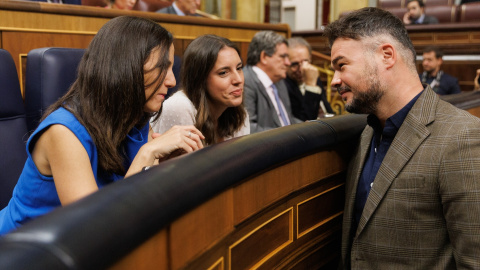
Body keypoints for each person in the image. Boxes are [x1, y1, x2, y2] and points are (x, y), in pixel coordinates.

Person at [0, 16, 204, 235]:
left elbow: (142, 199)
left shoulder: (135, 117)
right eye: (163, 67)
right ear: (126, 67)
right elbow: (93, 230)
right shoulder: (63, 132)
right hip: (20, 250)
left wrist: (168, 165)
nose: (172, 81)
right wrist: (147, 154)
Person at [324, 7, 480, 269]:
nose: (334, 80)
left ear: (386, 55)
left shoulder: (462, 137)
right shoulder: (369, 132)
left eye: (342, 65)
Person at [151, 35, 249, 145]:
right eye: (223, 73)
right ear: (200, 79)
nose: (238, 80)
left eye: (239, 68)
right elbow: (180, 162)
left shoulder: (239, 114)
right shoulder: (180, 107)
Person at [243, 31, 301, 133]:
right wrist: (288, 135)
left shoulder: (279, 81)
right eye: (283, 57)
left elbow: (288, 120)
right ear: (264, 57)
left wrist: (309, 126)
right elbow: (248, 128)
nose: (288, 63)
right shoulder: (246, 81)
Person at [284, 37, 334, 121]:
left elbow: (325, 107)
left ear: (310, 59)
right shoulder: (282, 85)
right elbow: (305, 120)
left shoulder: (312, 75)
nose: (301, 69)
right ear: (285, 62)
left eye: (305, 62)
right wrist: (311, 86)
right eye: (295, 64)